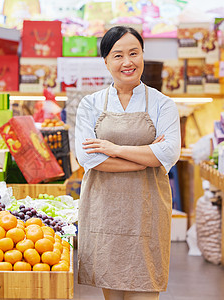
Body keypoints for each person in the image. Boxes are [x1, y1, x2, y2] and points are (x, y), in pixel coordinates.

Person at [75, 26, 181, 300]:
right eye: (118, 55)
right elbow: (88, 158)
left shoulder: (163, 104)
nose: (127, 62)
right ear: (106, 62)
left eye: (134, 53)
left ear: (143, 55)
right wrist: (145, 159)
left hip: (147, 212)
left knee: (146, 285)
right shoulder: (91, 104)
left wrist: (115, 149)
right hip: (105, 212)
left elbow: (168, 153)